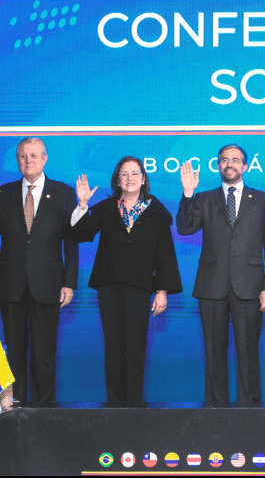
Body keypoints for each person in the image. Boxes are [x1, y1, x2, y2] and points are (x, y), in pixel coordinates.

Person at [66, 157, 182, 403]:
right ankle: (115, 405)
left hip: (140, 287)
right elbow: (79, 234)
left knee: (136, 348)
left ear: (143, 179)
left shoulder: (156, 210)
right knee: (114, 347)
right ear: (117, 180)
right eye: (124, 174)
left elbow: (166, 253)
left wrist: (162, 290)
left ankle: (134, 405)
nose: (130, 179)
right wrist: (83, 204)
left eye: (135, 174)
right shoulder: (106, 207)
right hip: (109, 286)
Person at [177, 144, 265, 403]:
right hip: (212, 287)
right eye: (224, 160)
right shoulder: (203, 198)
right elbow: (184, 228)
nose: (230, 164)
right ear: (218, 165)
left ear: (245, 166)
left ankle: (250, 414)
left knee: (248, 354)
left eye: (235, 160)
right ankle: (216, 414)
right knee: (213, 354)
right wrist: (188, 193)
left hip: (251, 287)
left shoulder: (263, 199)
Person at [0, 137, 78, 403]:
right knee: (14, 354)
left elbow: (72, 241)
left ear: (45, 159)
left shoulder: (64, 193)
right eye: (22, 155)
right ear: (17, 160)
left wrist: (69, 282)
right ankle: (14, 408)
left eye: (34, 155)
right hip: (10, 286)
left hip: (49, 285)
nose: (28, 160)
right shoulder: (4, 193)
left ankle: (44, 410)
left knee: (44, 354)